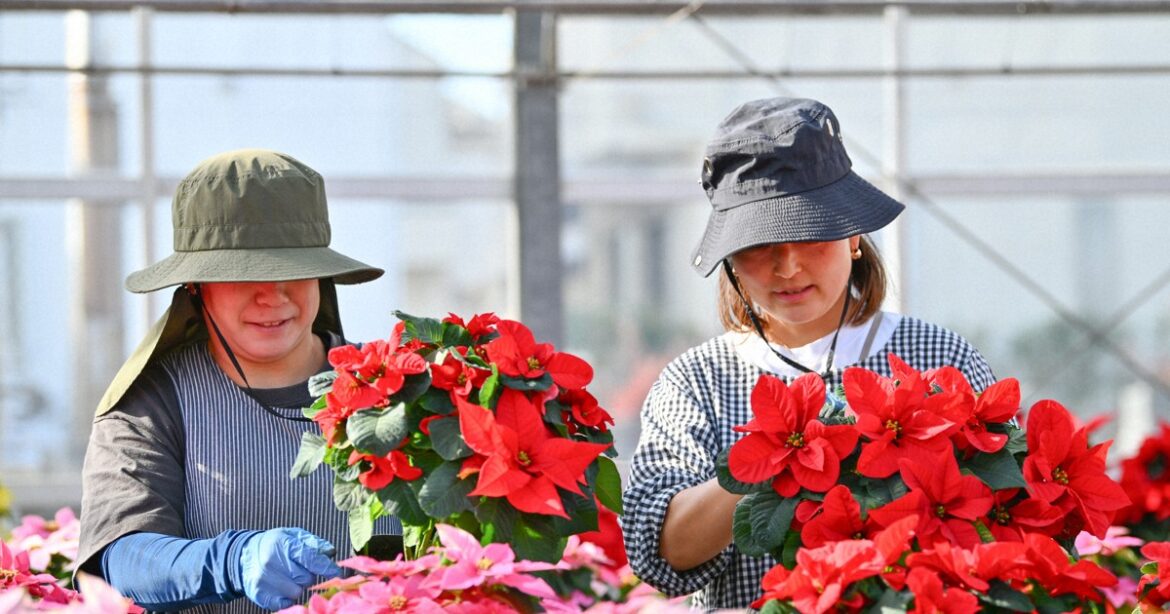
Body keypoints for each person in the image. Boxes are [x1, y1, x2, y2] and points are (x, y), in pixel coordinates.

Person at [620, 97, 996, 610]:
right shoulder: (696, 381)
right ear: (730, 259)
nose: (788, 266)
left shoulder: (939, 359)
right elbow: (662, 553)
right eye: (759, 243)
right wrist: (770, 457)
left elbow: (1002, 516)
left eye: (809, 231)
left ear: (855, 234)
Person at [77, 149, 401, 612]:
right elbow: (121, 557)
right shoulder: (152, 403)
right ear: (195, 287)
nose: (272, 295)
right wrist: (232, 561)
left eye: (293, 270)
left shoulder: (397, 389)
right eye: (241, 275)